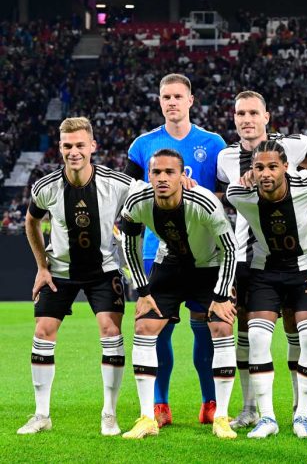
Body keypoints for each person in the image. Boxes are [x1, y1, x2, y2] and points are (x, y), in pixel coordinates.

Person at [216, 90, 307, 430]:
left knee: (296, 331)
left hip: (299, 260)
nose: (247, 119)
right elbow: (219, 197)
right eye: (241, 113)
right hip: (249, 257)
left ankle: (302, 409)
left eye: (253, 113)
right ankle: (251, 408)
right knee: (248, 334)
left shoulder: (293, 147)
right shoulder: (226, 160)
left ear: (266, 116)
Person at [124, 73, 227, 427]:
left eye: (178, 96)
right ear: (159, 101)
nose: (171, 102)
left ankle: (210, 402)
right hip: (157, 249)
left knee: (205, 327)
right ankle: (160, 405)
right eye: (165, 97)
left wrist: (198, 193)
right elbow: (131, 194)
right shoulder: (143, 144)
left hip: (203, 252)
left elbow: (226, 196)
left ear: (191, 100)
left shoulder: (213, 143)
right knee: (158, 327)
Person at [19, 117, 133, 436]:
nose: (74, 152)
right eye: (67, 146)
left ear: (92, 146)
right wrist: (42, 266)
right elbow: (31, 222)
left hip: (104, 271)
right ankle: (41, 414)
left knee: (110, 331)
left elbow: (147, 202)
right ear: (60, 147)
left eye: (80, 145)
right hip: (59, 271)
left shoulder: (118, 184)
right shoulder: (46, 186)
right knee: (43, 332)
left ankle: (109, 414)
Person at [120, 149, 237, 440]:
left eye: (169, 172)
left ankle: (220, 415)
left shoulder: (204, 202)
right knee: (144, 326)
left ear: (183, 176)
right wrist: (143, 291)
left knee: (221, 327)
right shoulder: (137, 202)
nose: (162, 178)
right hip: (170, 265)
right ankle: (148, 416)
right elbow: (129, 247)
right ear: (148, 176)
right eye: (156, 172)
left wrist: (221, 296)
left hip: (209, 266)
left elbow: (230, 249)